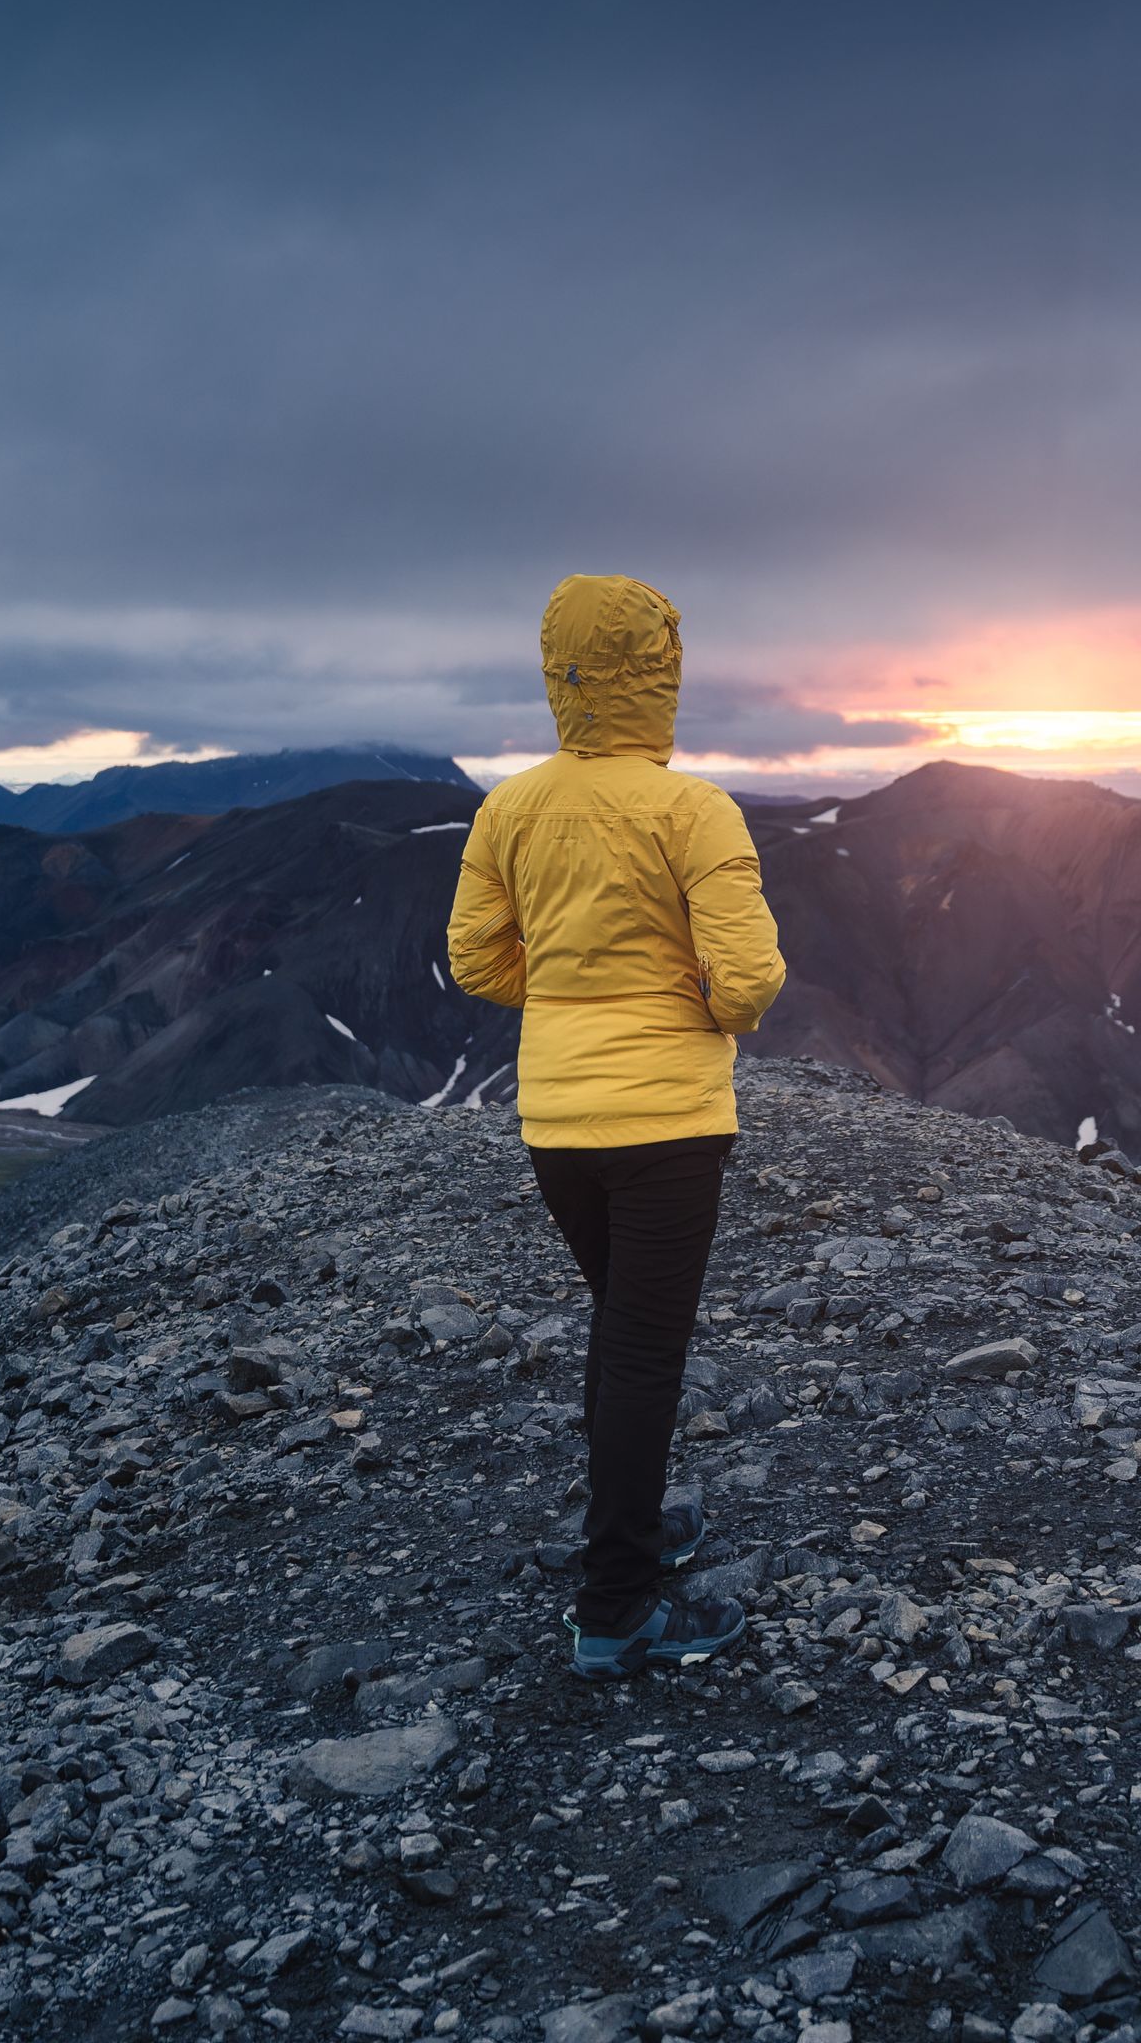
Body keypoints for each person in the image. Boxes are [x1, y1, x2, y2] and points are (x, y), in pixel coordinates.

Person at [448, 574, 788, 1678]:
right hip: (671, 1123)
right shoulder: (694, 812)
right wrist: (681, 1005)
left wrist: (568, 996)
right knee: (643, 1350)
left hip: (555, 1118)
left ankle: (630, 1537)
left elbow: (474, 960)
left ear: (561, 676)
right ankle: (616, 1611)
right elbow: (749, 982)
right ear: (662, 674)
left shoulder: (510, 807)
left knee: (619, 1331)